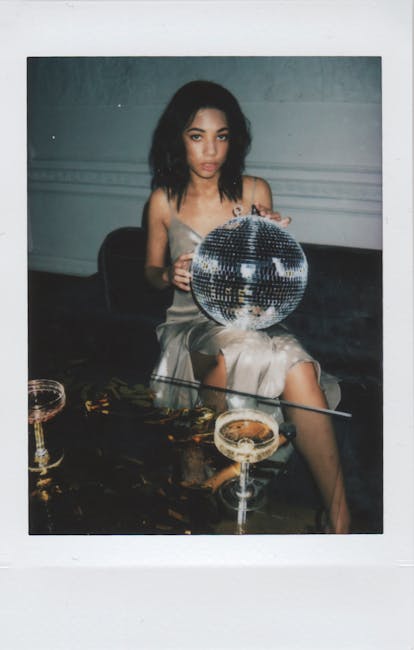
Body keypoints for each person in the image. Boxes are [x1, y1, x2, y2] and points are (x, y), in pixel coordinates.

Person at [144, 80, 350, 534]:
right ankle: (214, 470)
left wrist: (271, 238)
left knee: (298, 365)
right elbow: (150, 272)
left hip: (249, 320)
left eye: (221, 136)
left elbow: (268, 279)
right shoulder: (163, 200)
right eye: (197, 136)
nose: (210, 150)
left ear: (233, 140)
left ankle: (340, 520)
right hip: (191, 325)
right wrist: (168, 275)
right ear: (178, 139)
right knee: (240, 349)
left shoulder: (255, 190)